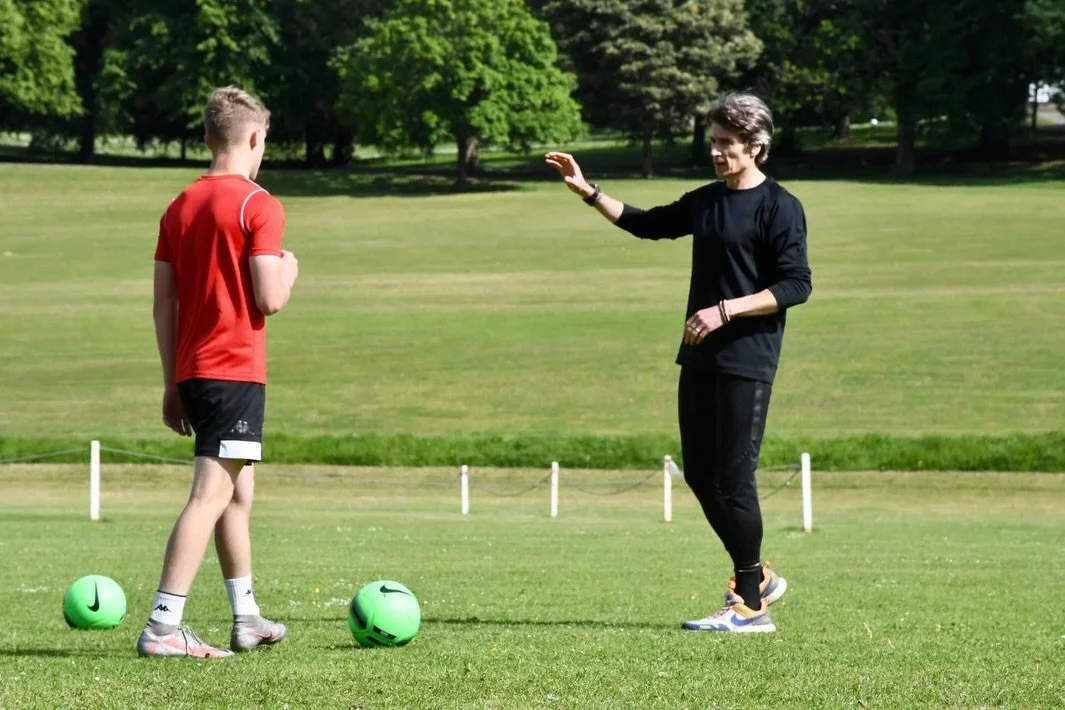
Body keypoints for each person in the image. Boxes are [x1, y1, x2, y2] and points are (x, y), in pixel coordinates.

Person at [545, 92, 811, 633]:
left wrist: (724, 311)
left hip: (747, 359)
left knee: (735, 480)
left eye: (727, 144)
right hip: (699, 357)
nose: (717, 152)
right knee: (699, 474)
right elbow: (648, 224)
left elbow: (796, 285)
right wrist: (588, 191)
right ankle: (758, 574)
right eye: (713, 142)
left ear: (756, 147)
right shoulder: (709, 201)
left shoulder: (780, 206)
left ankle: (752, 606)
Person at [138, 85, 299, 658]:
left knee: (237, 494)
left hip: (194, 370)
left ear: (207, 140)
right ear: (256, 138)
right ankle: (163, 625)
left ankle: (247, 617)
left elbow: (164, 304)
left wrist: (170, 383)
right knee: (211, 494)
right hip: (234, 370)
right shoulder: (260, 204)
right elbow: (269, 298)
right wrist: (290, 267)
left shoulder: (178, 206)